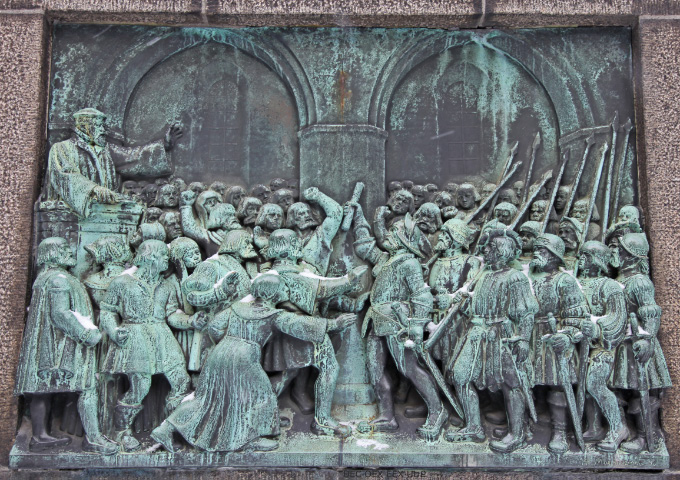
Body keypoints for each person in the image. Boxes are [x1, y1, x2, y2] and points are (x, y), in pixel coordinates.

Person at [150, 274, 356, 453]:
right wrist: (333, 324)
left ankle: (166, 428)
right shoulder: (273, 314)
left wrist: (229, 342)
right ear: (271, 294)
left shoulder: (237, 307)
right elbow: (298, 325)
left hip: (220, 354)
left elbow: (214, 327)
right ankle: (250, 438)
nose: (285, 290)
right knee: (261, 394)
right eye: (282, 287)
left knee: (206, 398)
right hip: (244, 356)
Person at [346, 202, 443, 440]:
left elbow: (420, 296)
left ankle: (438, 412)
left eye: (393, 231)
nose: (387, 234)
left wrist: (416, 325)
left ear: (404, 238)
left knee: (408, 367)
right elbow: (365, 246)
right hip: (375, 321)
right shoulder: (386, 259)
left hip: (399, 324)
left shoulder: (409, 263)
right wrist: (360, 215)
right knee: (375, 369)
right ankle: (387, 417)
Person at [15, 237, 117, 454]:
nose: (70, 251)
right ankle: (93, 438)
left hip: (51, 343)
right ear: (51, 253)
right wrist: (86, 334)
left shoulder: (49, 277)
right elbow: (60, 314)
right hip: (61, 345)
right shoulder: (57, 280)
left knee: (42, 390)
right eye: (63, 248)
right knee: (87, 386)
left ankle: (40, 435)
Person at [447, 229, 538, 453]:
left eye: (490, 247)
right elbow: (475, 308)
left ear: (502, 252)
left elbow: (526, 313)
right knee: (460, 375)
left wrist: (524, 340)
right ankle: (474, 427)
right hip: (477, 333)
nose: (485, 250)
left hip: (502, 335)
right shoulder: (483, 275)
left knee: (512, 383)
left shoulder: (515, 278)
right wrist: (464, 304)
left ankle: (517, 433)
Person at [99, 240, 194, 452]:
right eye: (162, 256)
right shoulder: (122, 282)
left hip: (162, 336)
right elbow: (107, 310)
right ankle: (122, 432)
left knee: (181, 380)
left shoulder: (167, 285)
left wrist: (191, 322)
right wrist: (113, 331)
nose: (166, 261)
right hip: (135, 336)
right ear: (149, 257)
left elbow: (172, 315)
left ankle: (171, 430)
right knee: (140, 387)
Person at [45, 108, 181, 217]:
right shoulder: (62, 148)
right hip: (70, 216)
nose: (104, 130)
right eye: (99, 126)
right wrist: (93, 189)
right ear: (84, 127)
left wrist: (164, 146)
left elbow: (133, 158)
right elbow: (66, 175)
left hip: (105, 213)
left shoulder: (106, 150)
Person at [528, 234, 590, 453]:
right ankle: (525, 423)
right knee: (522, 381)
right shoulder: (526, 278)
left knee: (556, 384)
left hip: (553, 336)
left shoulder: (565, 281)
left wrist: (568, 335)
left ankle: (560, 431)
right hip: (527, 335)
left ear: (554, 256)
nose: (536, 253)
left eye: (542, 250)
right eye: (535, 249)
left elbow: (577, 316)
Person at [610, 233, 671, 453]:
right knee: (621, 390)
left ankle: (648, 435)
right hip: (621, 344)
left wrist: (647, 339)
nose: (616, 253)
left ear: (632, 256)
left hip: (637, 345)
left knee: (640, 391)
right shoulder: (620, 280)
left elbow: (650, 311)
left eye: (621, 251)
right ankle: (626, 430)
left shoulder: (639, 282)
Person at [576, 241, 629, 453]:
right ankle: (594, 426)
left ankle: (618, 427)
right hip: (577, 344)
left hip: (603, 346)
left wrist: (597, 328)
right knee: (582, 384)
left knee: (594, 383)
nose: (581, 259)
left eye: (586, 256)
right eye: (581, 255)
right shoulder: (575, 282)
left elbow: (618, 318)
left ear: (597, 261)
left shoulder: (610, 286)